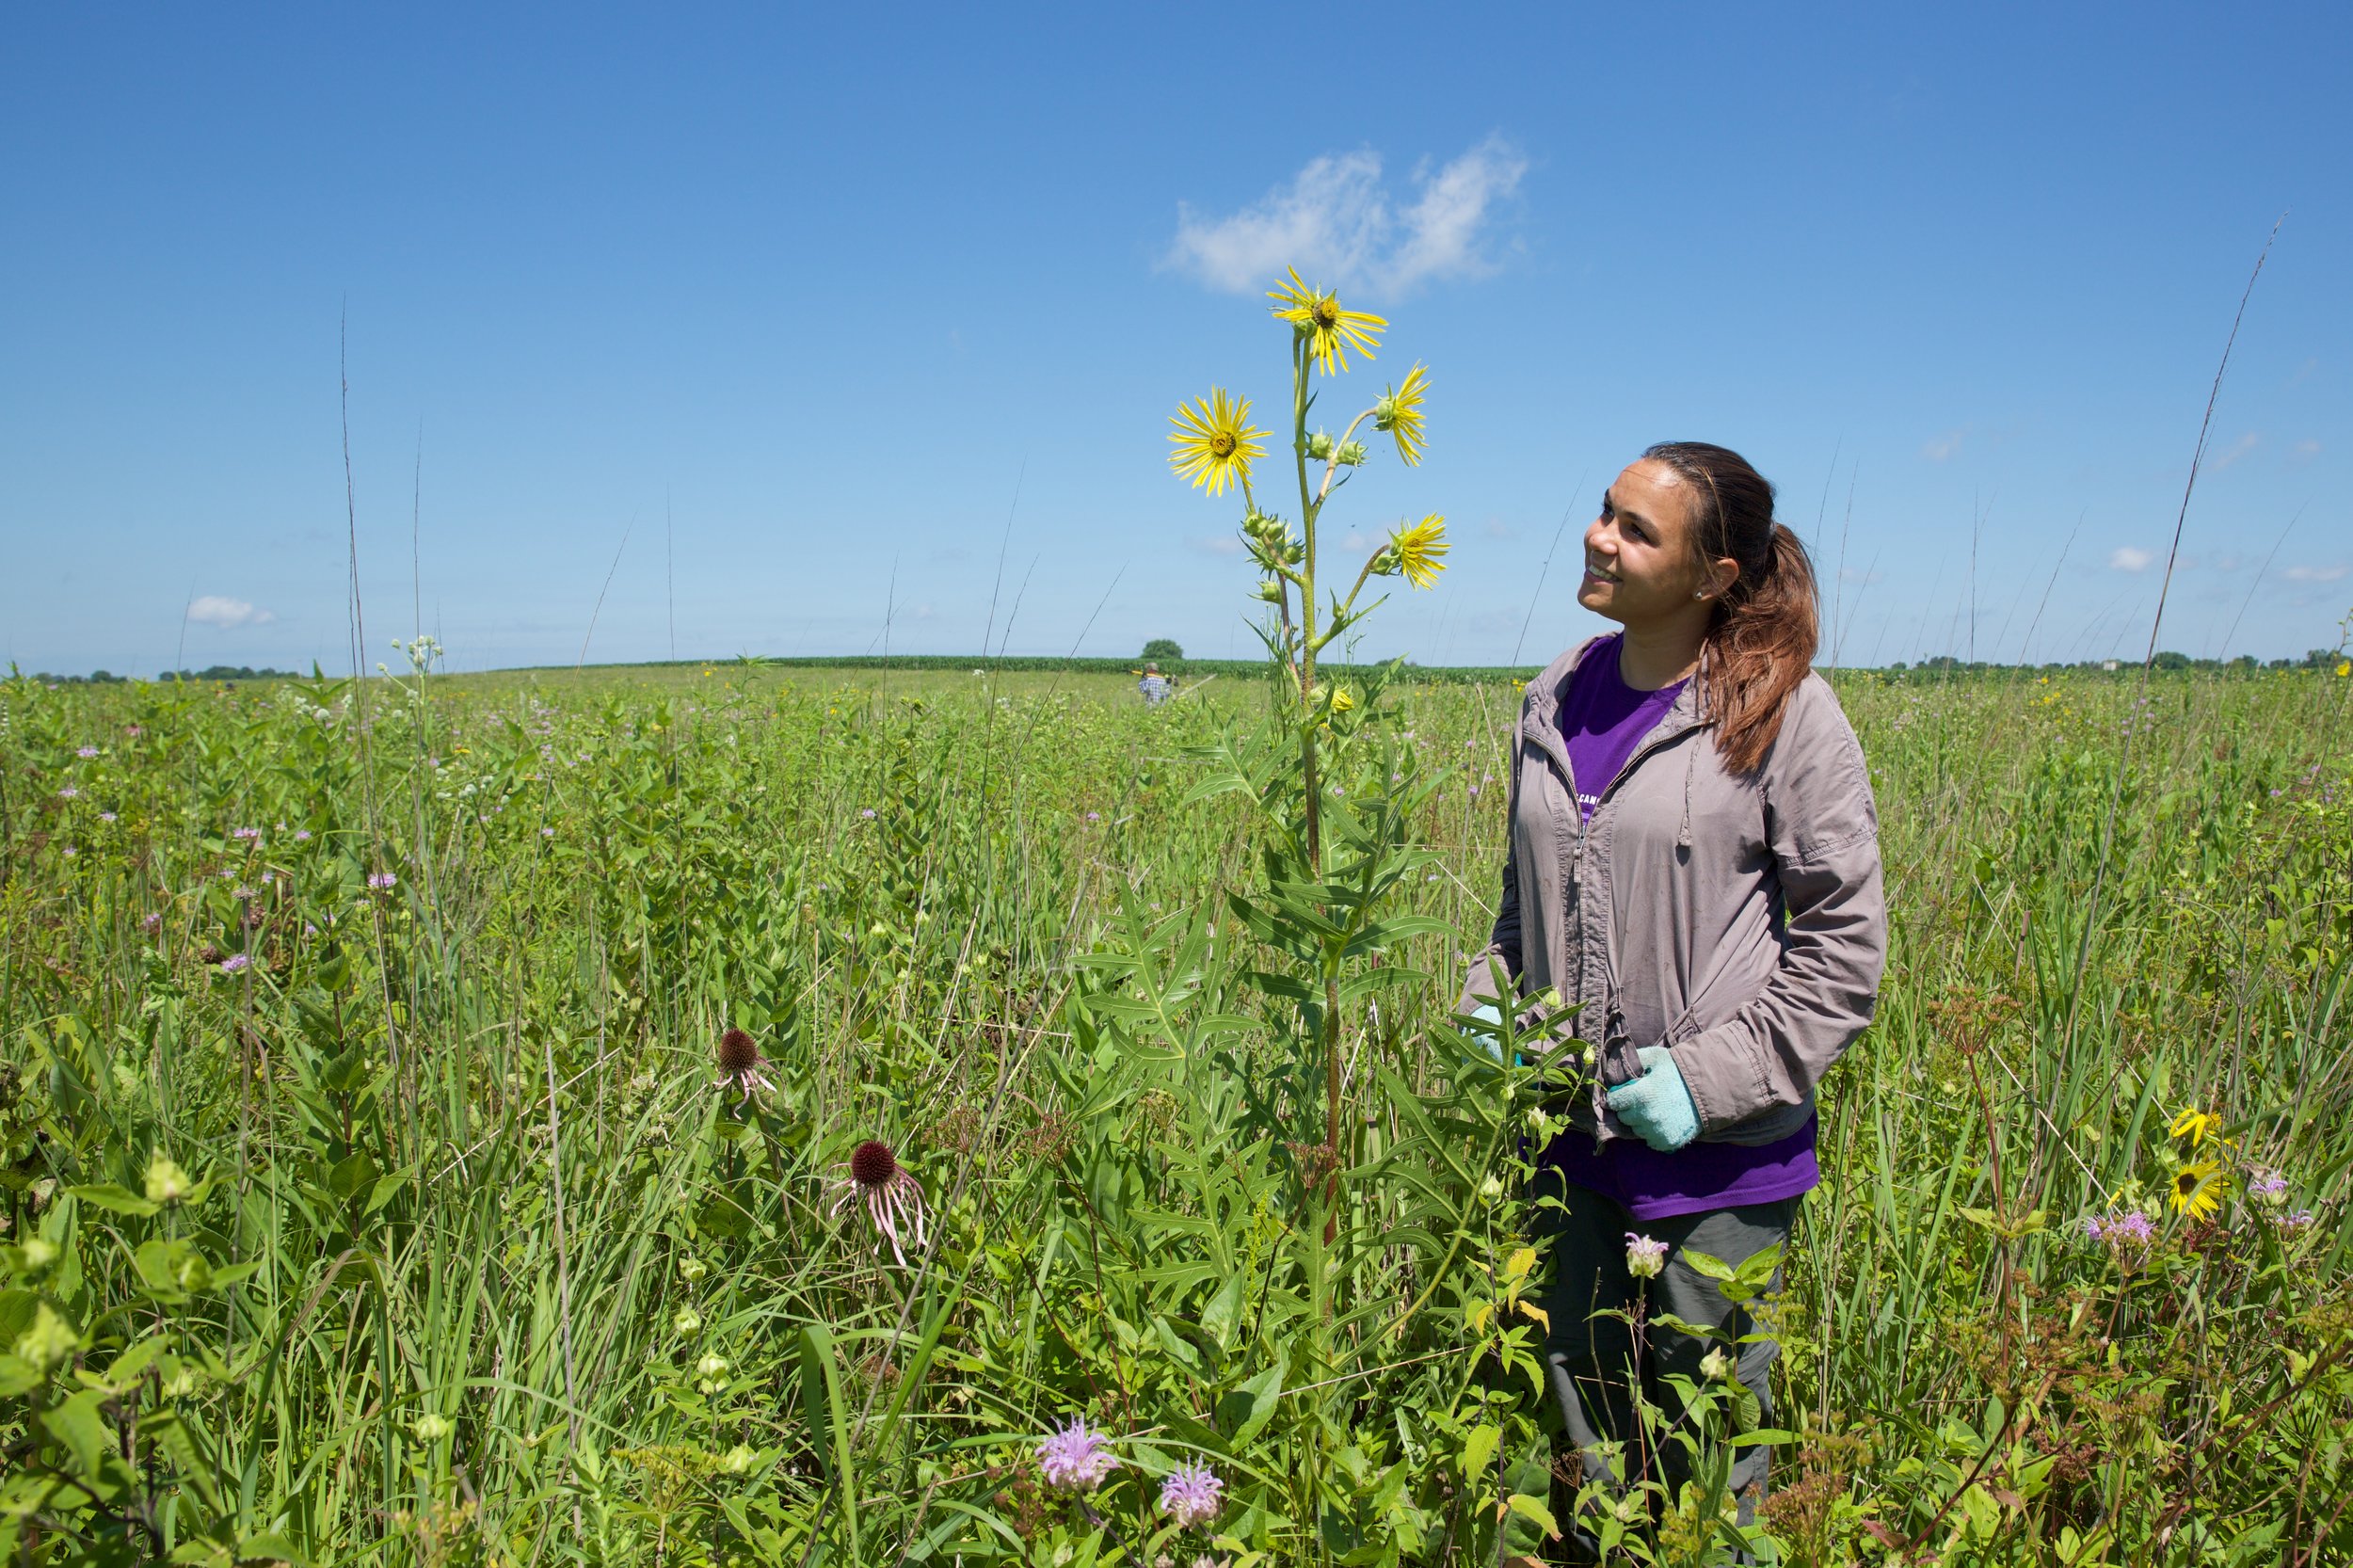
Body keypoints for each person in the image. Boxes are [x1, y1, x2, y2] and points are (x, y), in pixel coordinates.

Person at [1462, 442, 1884, 1555]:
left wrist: (1704, 1083)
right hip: (1570, 1155)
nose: (1600, 537)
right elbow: (1523, 908)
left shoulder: (1784, 713)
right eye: (1605, 514)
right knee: (1585, 1460)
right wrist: (1491, 1002)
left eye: (1636, 530)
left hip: (1720, 1172)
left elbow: (1843, 949)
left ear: (1712, 576)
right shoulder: (1554, 692)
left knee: (1704, 1473)